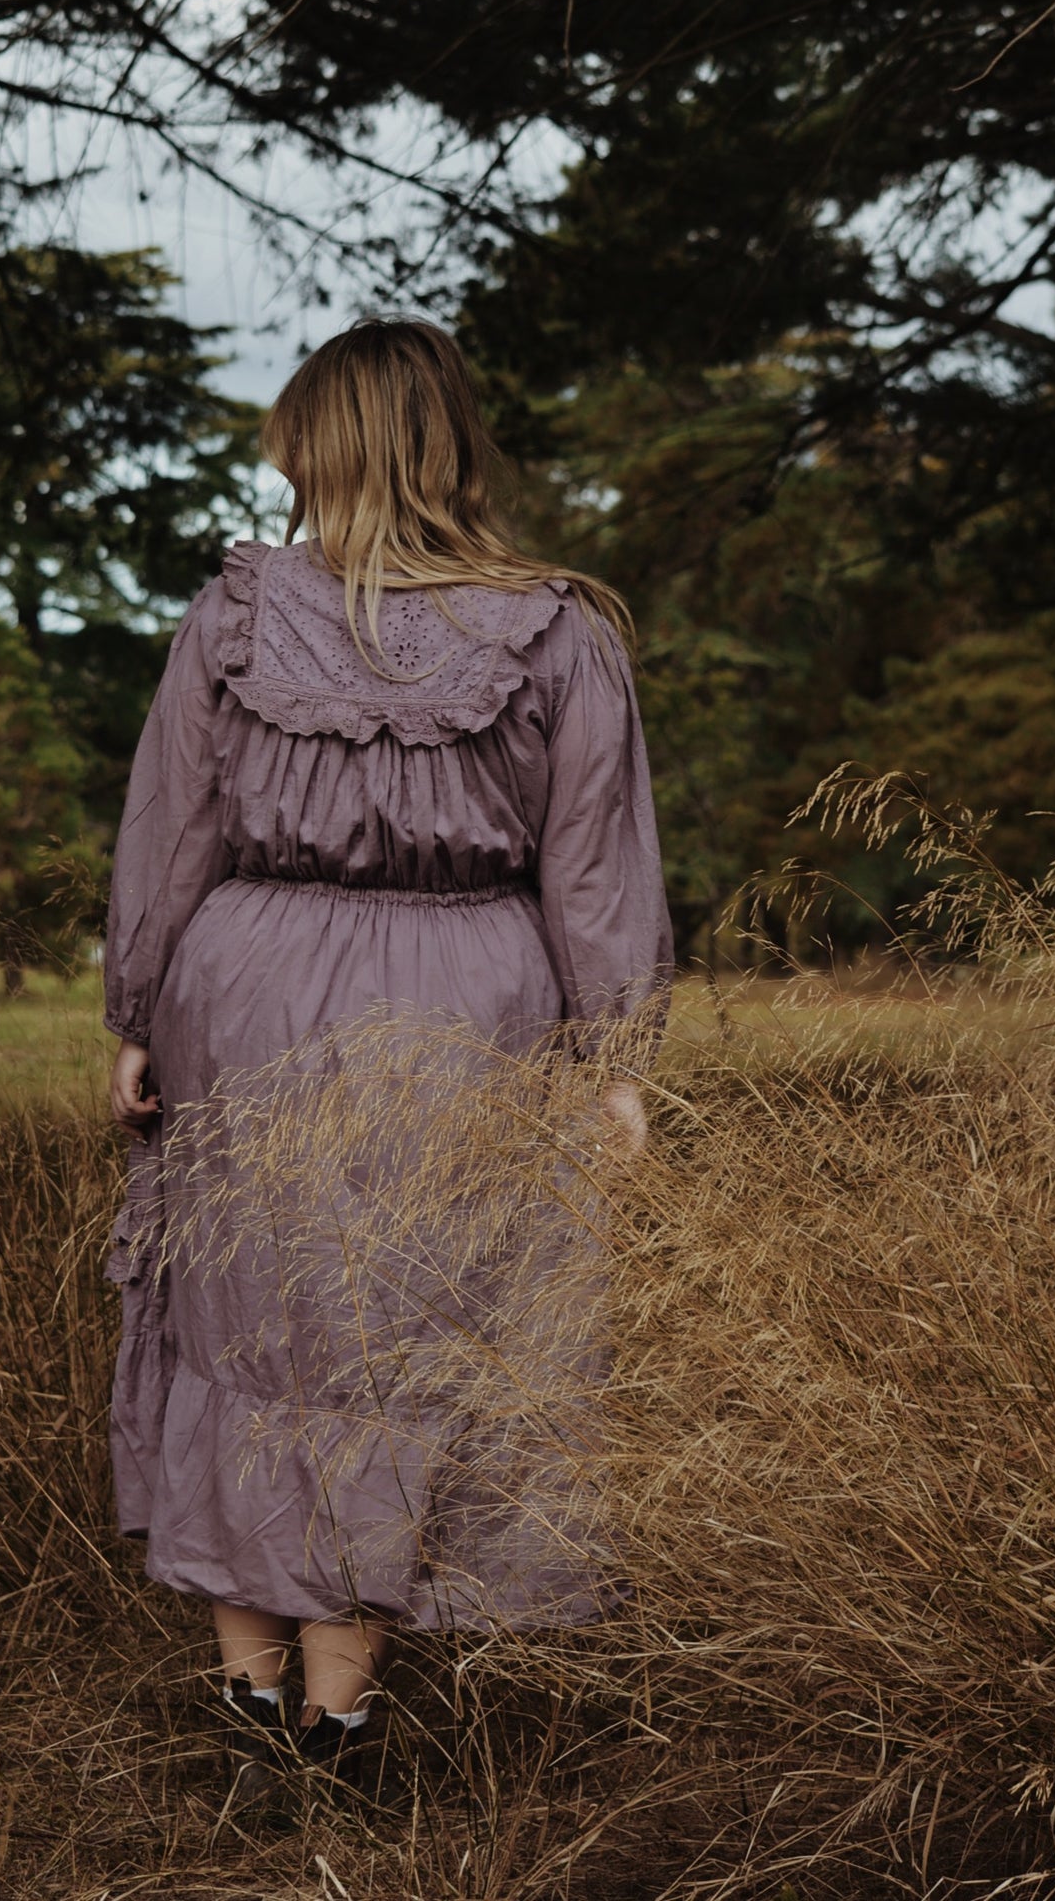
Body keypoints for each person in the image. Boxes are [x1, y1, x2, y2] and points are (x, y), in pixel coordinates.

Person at [101, 317, 673, 1811]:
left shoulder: (230, 617)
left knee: (244, 1319)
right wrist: (614, 1057)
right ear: (449, 444)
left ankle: (246, 1695)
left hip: (249, 992)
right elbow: (594, 862)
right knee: (396, 1326)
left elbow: (172, 835)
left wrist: (135, 1010)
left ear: (321, 442)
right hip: (462, 1002)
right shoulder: (557, 627)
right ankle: (336, 1721)